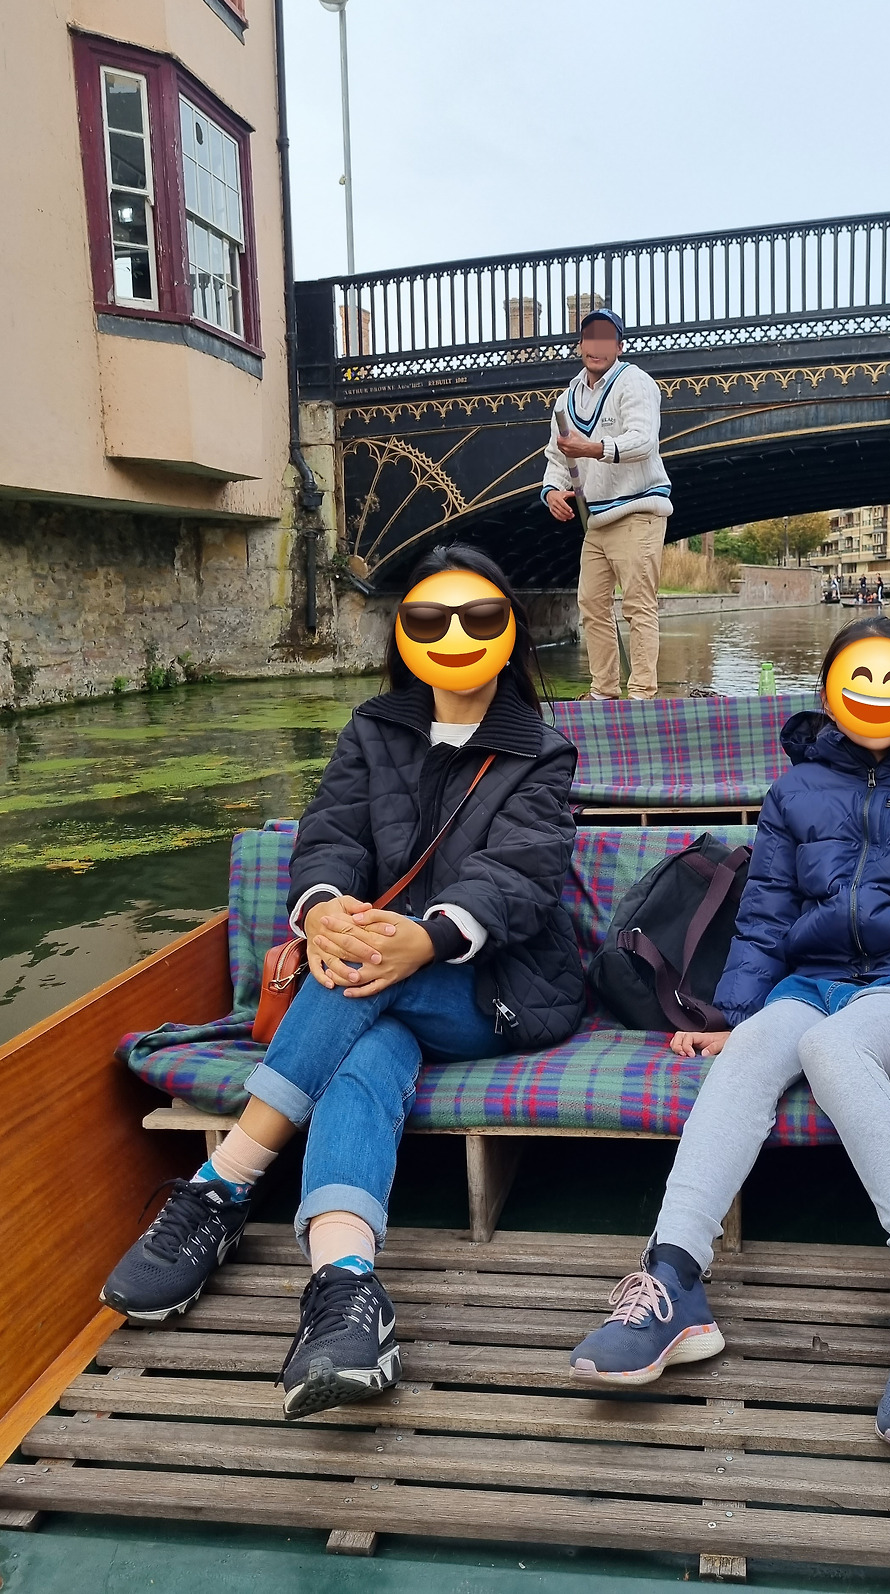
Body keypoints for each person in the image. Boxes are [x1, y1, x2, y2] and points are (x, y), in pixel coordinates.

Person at [102, 544, 585, 1420]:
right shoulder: (374, 728)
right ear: (404, 636)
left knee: (365, 972)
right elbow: (330, 836)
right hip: (372, 984)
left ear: (510, 635)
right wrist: (323, 910)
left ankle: (222, 1186)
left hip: (499, 989)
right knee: (367, 1048)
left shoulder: (543, 752)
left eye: (479, 617)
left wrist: (426, 938)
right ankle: (346, 1285)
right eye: (430, 618)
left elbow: (524, 872)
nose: (455, 635)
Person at [569, 615, 890, 1457]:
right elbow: (763, 919)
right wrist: (734, 1019)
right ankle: (674, 1277)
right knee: (762, 1050)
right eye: (857, 678)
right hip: (814, 983)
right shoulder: (793, 795)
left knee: (832, 1048)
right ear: (829, 694)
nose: (876, 693)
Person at [541, 308, 671, 700]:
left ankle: (641, 694)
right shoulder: (566, 400)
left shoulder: (635, 382)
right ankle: (604, 692)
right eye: (589, 338)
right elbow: (557, 457)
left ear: (619, 346)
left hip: (638, 512)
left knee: (638, 606)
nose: (596, 346)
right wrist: (551, 491)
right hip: (595, 519)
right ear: (580, 345)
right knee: (591, 605)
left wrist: (593, 448)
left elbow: (643, 440)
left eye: (605, 339)